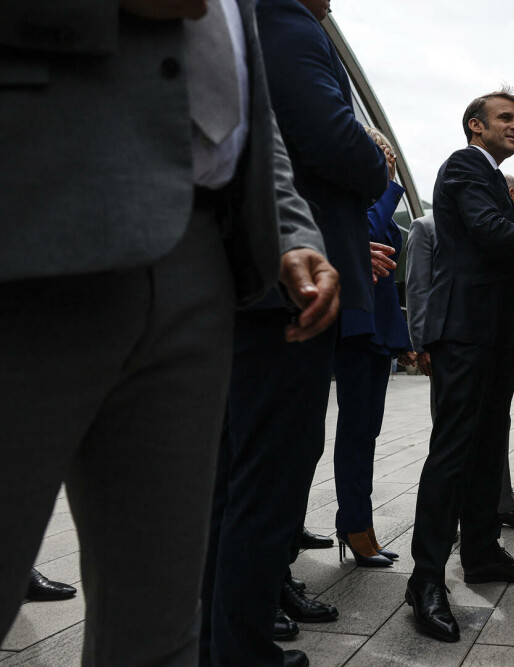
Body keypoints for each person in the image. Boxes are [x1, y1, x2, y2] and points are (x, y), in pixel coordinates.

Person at [0, 2, 338, 665]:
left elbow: (242, 87)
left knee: (157, 633)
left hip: (199, 259)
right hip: (28, 223)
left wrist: (288, 226)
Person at [199, 0, 388, 665]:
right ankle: (241, 649)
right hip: (290, 295)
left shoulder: (268, 24)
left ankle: (220, 641)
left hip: (262, 288)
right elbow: (339, 145)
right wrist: (378, 159)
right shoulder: (288, 26)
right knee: (265, 482)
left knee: (239, 478)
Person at [406, 87, 514, 643]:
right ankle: (426, 578)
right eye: (506, 118)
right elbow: (488, 232)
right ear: (475, 126)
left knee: (485, 447)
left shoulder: (490, 179)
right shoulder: (464, 166)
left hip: (496, 334)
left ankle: (480, 553)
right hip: (467, 334)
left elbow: (495, 261)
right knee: (454, 450)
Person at [404, 195, 514, 533]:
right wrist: (422, 345)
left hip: (490, 347)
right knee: (451, 433)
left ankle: (499, 506)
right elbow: (417, 290)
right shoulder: (425, 228)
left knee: (496, 427)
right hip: (446, 348)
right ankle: (449, 516)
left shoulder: (486, 231)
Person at [332, 127, 416, 567]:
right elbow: (367, 229)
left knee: (369, 430)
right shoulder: (352, 200)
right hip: (353, 329)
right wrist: (387, 183)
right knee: (356, 430)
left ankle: (358, 523)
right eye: (377, 149)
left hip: (378, 329)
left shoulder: (374, 202)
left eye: (388, 149)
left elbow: (389, 279)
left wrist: (401, 340)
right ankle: (353, 523)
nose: (387, 156)